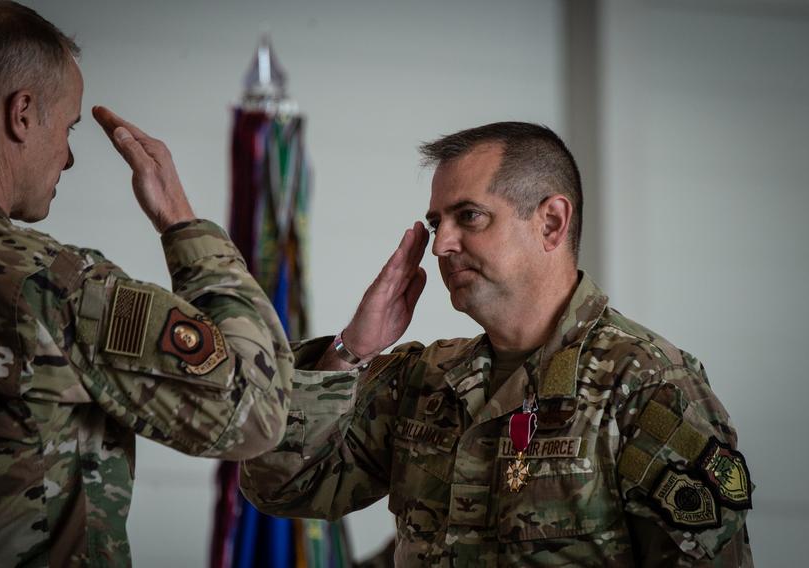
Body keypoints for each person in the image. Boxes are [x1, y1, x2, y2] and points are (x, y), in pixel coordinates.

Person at [240, 123, 753, 566]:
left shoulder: (647, 386)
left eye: (469, 216)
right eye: (437, 222)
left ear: (551, 222)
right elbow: (283, 485)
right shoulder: (425, 379)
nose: (441, 243)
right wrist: (351, 349)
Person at [0, 2, 292, 566]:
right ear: (23, 113)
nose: (70, 156)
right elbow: (254, 411)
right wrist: (182, 223)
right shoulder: (56, 287)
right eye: (69, 126)